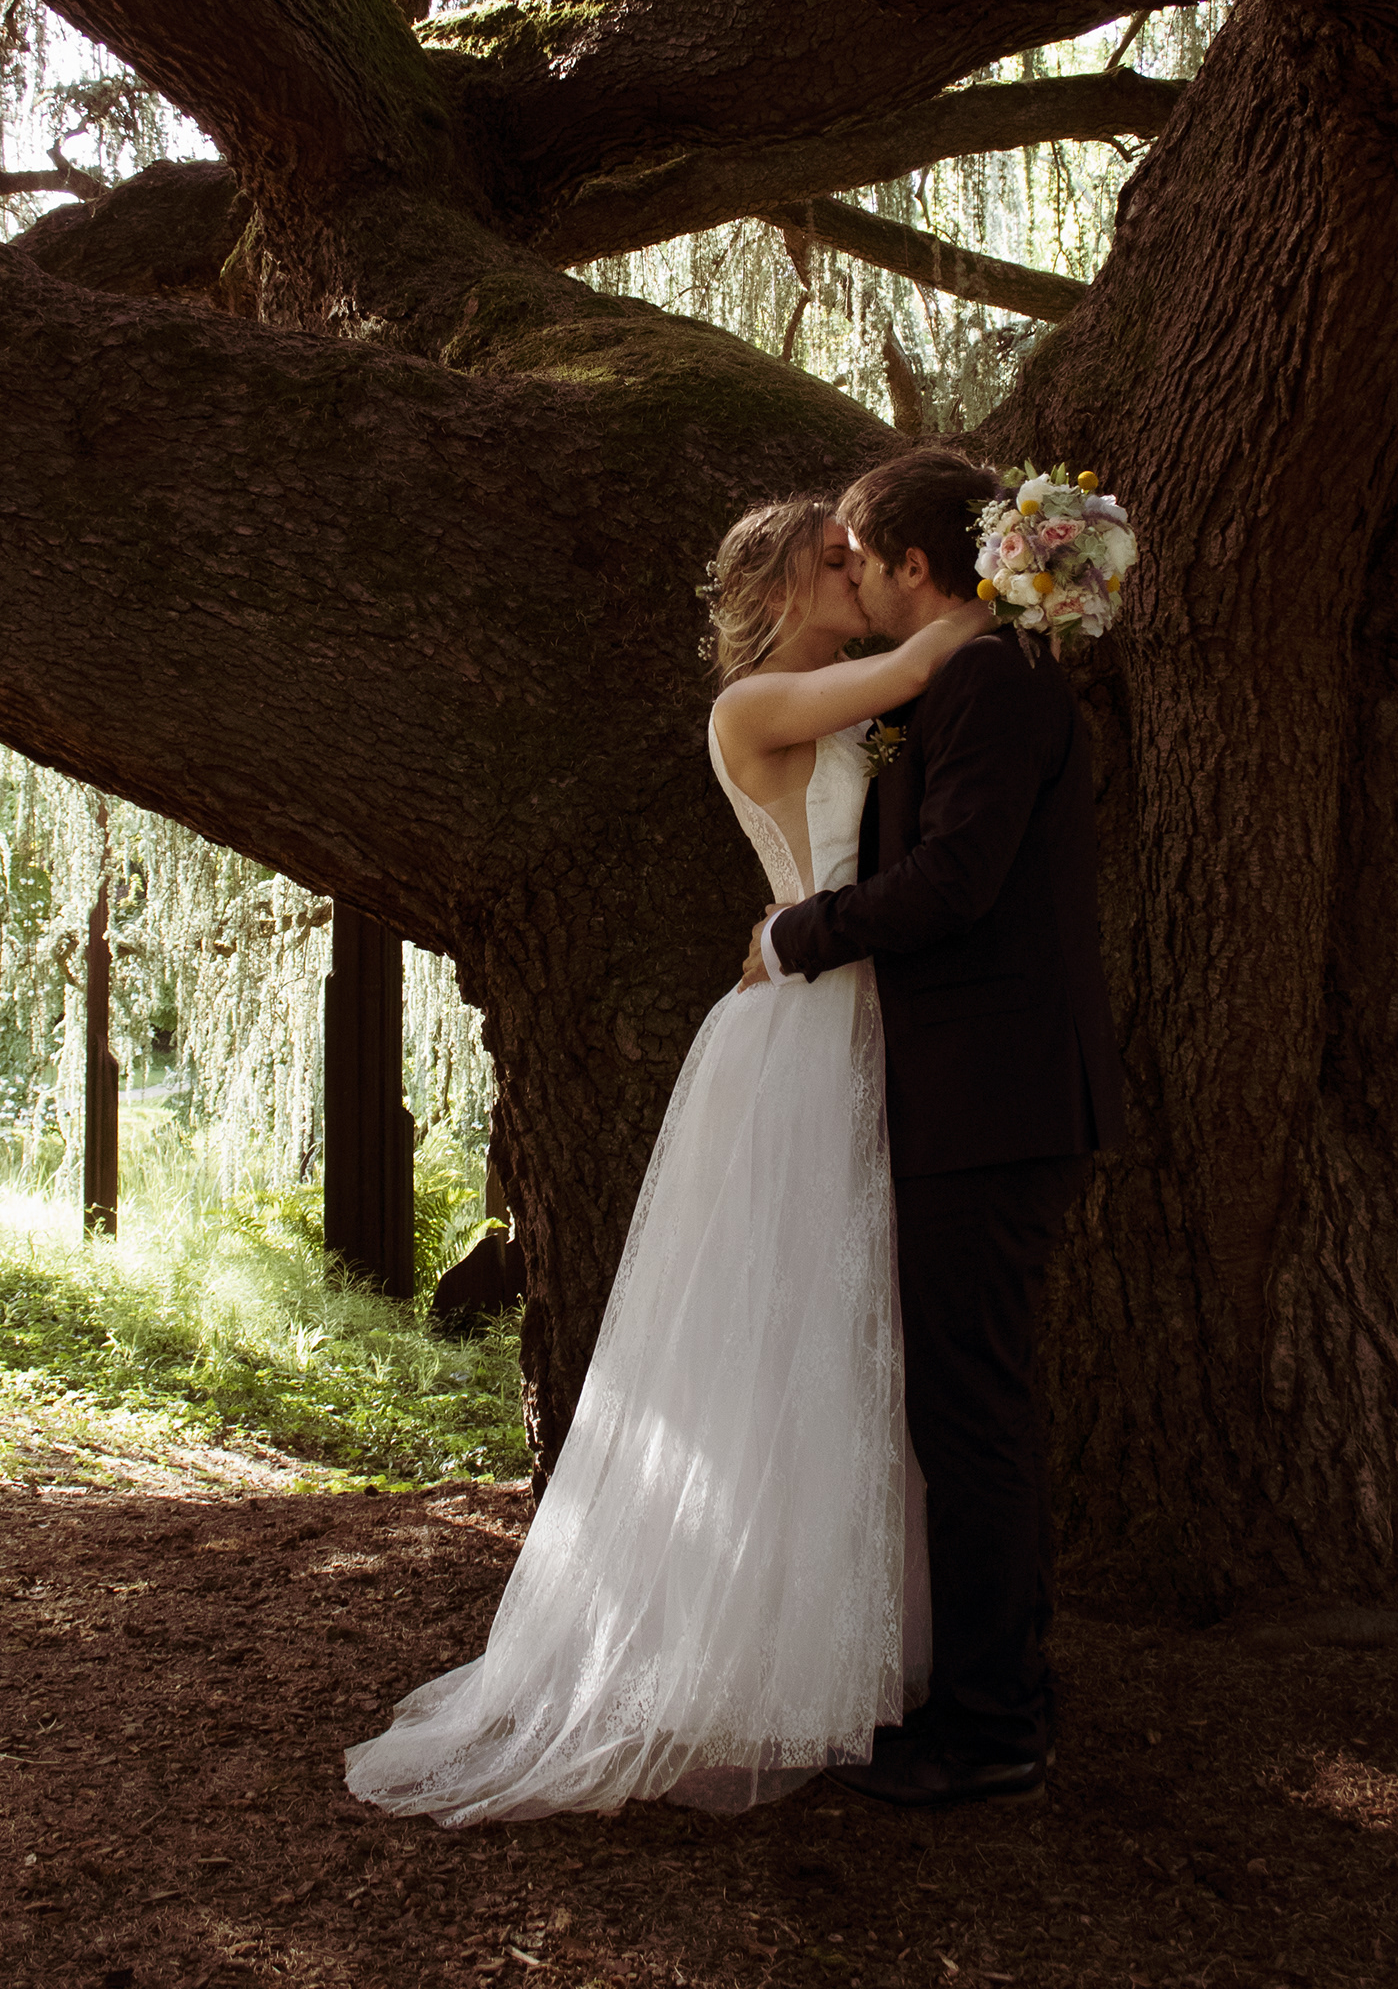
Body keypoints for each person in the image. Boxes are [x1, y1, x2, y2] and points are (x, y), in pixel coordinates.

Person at [344, 497, 988, 1827]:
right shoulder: (755, 707)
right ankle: (744, 1653)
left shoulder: (852, 704)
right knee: (783, 1335)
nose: (859, 574)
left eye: (860, 558)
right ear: (779, 586)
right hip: (805, 1032)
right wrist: (1038, 572)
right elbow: (933, 655)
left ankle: (847, 1640)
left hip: (863, 1017)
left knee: (860, 1333)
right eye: (835, 561)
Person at [748, 447, 1123, 1813]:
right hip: (970, 1092)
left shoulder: (992, 686)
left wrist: (794, 936)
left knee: (973, 1413)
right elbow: (910, 816)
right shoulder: (953, 685)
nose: (848, 573)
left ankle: (993, 1726)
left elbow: (955, 881)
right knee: (965, 1407)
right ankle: (988, 1689)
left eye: (859, 554)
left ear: (914, 564)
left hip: (994, 1094)